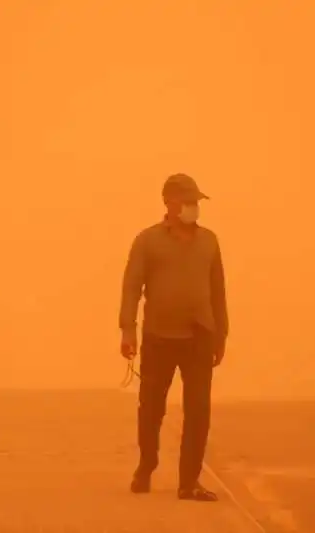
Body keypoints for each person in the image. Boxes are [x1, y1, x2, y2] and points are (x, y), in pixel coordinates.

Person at [119, 173, 229, 502]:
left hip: (199, 336)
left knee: (198, 410)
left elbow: (218, 291)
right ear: (169, 202)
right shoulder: (147, 241)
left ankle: (189, 481)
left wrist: (221, 334)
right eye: (189, 201)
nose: (195, 208)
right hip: (159, 336)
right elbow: (131, 287)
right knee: (151, 407)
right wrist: (128, 330)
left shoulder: (209, 241)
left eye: (197, 202)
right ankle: (147, 463)